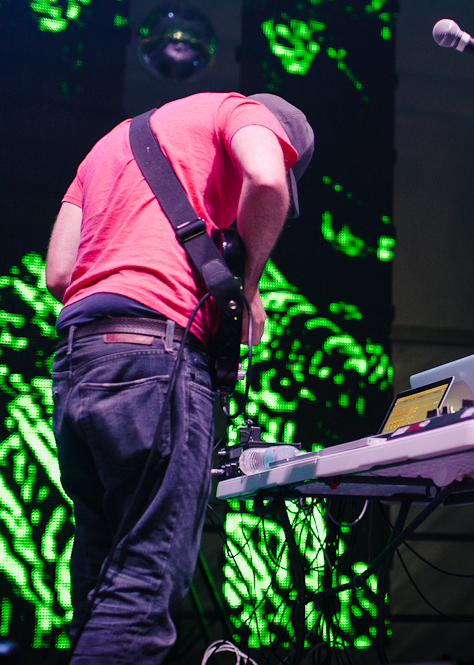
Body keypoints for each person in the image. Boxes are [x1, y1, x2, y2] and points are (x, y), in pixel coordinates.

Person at [45, 92, 314, 663]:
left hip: (78, 358)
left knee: (102, 580)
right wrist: (247, 286)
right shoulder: (240, 110)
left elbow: (60, 272)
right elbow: (267, 181)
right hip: (154, 358)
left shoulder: (105, 146)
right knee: (142, 585)